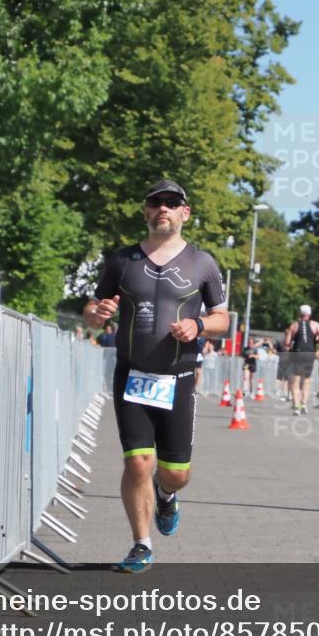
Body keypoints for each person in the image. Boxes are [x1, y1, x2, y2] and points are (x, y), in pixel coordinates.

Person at [84, 179, 228, 573]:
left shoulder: (203, 263)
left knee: (175, 473)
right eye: (155, 202)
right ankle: (141, 544)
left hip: (179, 378)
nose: (162, 207)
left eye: (171, 202)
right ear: (146, 211)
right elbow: (94, 309)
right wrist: (95, 315)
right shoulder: (121, 261)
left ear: (185, 212)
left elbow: (223, 318)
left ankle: (167, 495)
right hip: (132, 374)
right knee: (137, 464)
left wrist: (199, 326)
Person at [284, 304, 319, 415]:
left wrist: (288, 350)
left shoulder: (294, 325)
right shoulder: (315, 324)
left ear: (300, 314)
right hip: (310, 353)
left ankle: (296, 405)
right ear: (309, 314)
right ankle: (304, 403)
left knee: (295, 380)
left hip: (298, 353)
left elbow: (287, 342)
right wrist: (316, 340)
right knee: (306, 379)